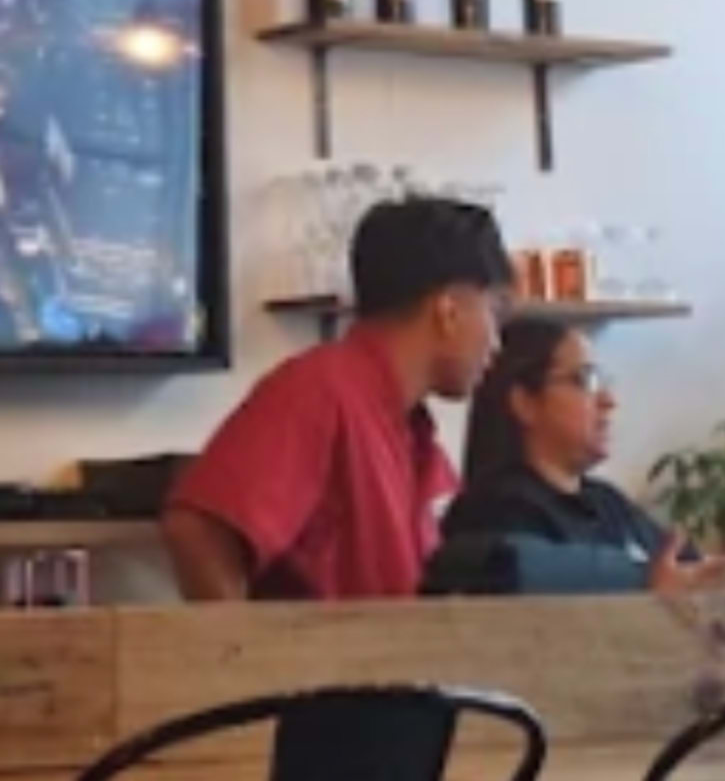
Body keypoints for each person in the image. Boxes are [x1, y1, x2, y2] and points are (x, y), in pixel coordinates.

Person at [163, 195, 510, 601]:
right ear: (448, 310)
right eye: (494, 312)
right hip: (327, 665)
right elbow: (199, 528)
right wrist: (242, 659)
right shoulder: (320, 389)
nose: (496, 341)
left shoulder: (403, 421)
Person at [433, 318, 725, 594]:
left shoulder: (607, 501)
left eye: (603, 383)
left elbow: (685, 564)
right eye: (586, 381)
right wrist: (645, 583)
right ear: (524, 402)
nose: (608, 400)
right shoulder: (494, 510)